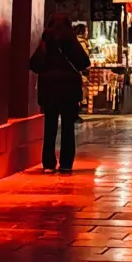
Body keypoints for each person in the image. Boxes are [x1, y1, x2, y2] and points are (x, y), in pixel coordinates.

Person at [29, 12, 90, 173]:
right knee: (68, 127)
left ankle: (48, 163)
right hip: (68, 90)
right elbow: (84, 62)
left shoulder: (45, 39)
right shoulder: (70, 39)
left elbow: (34, 64)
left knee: (50, 126)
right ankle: (65, 163)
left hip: (49, 89)